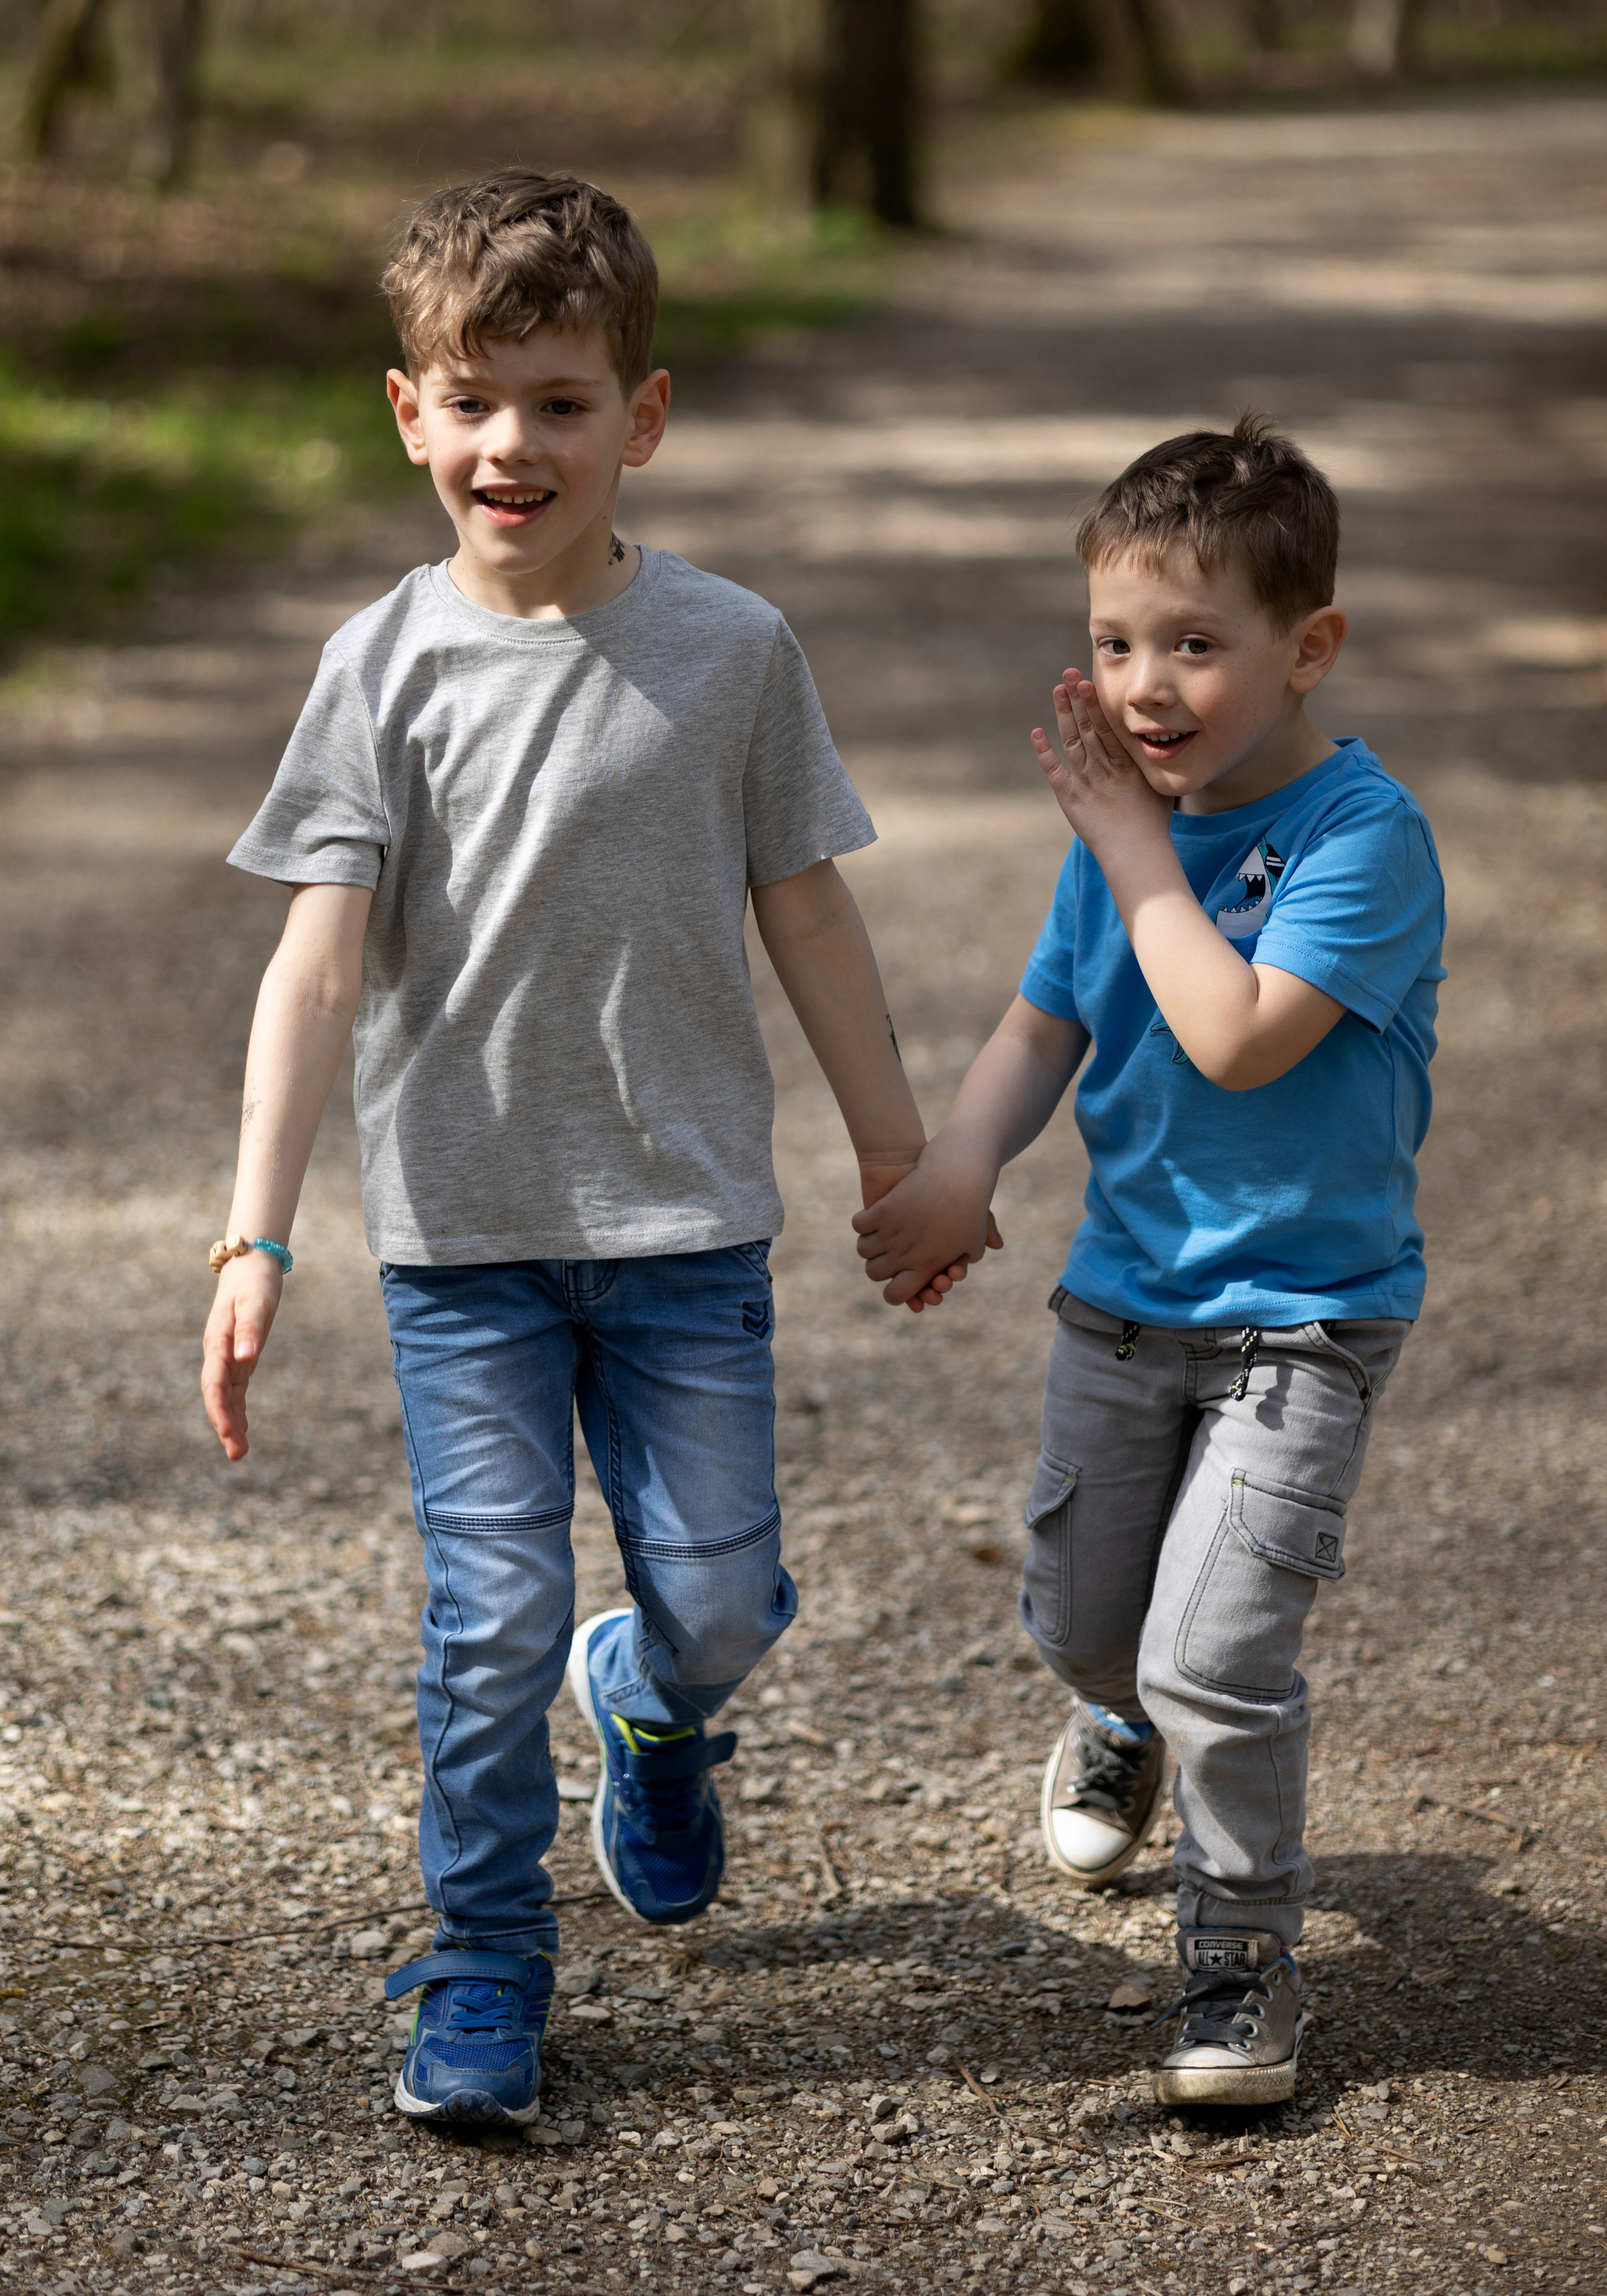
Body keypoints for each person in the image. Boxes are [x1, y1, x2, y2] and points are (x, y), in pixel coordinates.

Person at [199, 169, 947, 2129]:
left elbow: (810, 911)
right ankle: (480, 1966)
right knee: (485, 1612)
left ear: (647, 415)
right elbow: (310, 967)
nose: (511, 445)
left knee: (718, 1595)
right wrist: (252, 1239)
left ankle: (660, 1701)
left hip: (686, 1220)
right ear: (406, 412)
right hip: (464, 1241)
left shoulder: (730, 650)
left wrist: (899, 1155)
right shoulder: (380, 667)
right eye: (473, 400)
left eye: (559, 402)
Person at [853, 414, 1445, 2105]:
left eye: (1195, 644)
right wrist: (958, 1167)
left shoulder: (1359, 841)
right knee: (1085, 1621)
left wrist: (1132, 849)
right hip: (1119, 1307)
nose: (1143, 687)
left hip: (1304, 1319)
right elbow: (1051, 1024)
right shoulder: (1117, 828)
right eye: (1114, 643)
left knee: (1217, 1656)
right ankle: (1113, 1715)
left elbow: (1235, 1032)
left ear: (1307, 646)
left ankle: (1238, 1951)